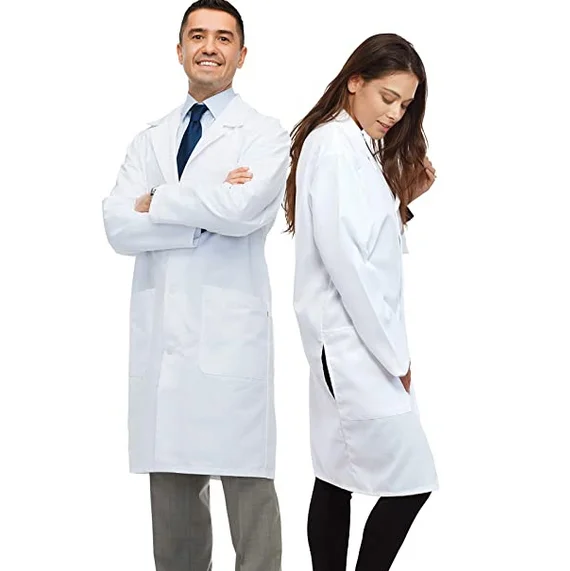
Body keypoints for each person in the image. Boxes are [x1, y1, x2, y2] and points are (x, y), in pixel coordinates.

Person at [102, 2, 289, 570]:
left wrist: (158, 200)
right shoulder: (150, 138)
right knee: (174, 524)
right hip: (165, 352)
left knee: (252, 514)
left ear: (242, 54)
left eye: (224, 38)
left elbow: (244, 209)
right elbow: (117, 226)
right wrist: (207, 207)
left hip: (231, 348)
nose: (210, 47)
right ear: (180, 49)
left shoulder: (265, 134)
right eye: (198, 36)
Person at [284, 33, 439, 571]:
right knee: (410, 480)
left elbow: (364, 241)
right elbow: (349, 266)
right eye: (387, 97)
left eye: (405, 104)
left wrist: (401, 198)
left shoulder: (354, 146)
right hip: (352, 342)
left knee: (335, 476)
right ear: (355, 82)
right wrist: (395, 358)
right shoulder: (333, 146)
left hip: (347, 340)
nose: (395, 113)